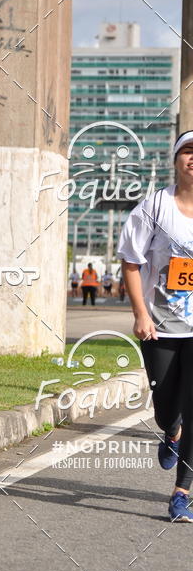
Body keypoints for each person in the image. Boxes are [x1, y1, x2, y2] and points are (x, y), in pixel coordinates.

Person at [118, 130, 193, 522]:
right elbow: (131, 260)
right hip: (160, 324)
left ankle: (182, 492)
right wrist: (140, 314)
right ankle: (172, 429)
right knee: (166, 404)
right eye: (187, 151)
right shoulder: (154, 207)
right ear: (176, 160)